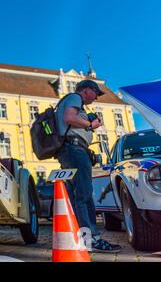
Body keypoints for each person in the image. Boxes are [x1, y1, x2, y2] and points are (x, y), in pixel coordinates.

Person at [55, 80, 122, 253]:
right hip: (74, 149)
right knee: (84, 196)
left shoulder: (72, 101)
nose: (97, 98)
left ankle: (83, 238)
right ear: (86, 90)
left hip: (71, 150)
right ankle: (91, 239)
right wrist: (91, 125)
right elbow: (69, 117)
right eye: (96, 93)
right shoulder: (75, 98)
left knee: (77, 195)